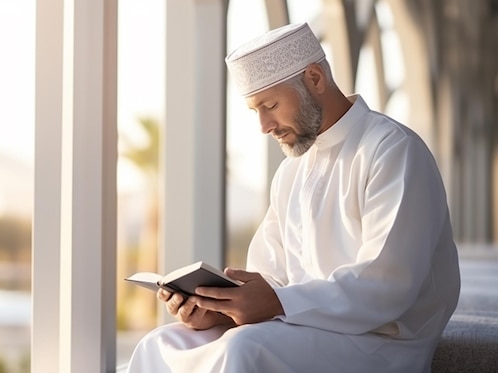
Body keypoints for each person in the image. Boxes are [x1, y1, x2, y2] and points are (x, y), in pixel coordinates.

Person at [126, 22, 460, 373]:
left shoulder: (392, 150)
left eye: (269, 104)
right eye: (256, 111)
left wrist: (277, 301)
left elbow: (387, 284)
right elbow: (269, 279)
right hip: (300, 327)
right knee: (161, 343)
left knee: (245, 348)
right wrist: (217, 309)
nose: (264, 126)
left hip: (380, 341)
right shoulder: (291, 172)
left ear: (315, 79)